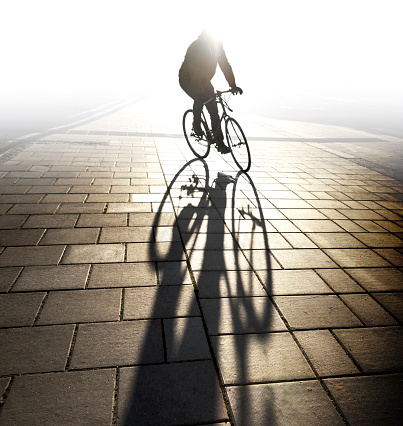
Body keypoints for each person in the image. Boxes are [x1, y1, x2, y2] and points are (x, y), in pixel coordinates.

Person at [179, 28, 243, 154]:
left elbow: (225, 65)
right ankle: (196, 125)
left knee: (214, 111)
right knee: (200, 97)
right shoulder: (195, 47)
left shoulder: (218, 46)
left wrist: (233, 85)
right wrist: (201, 90)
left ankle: (220, 142)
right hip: (188, 79)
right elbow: (194, 70)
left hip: (203, 80)